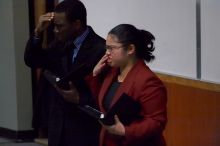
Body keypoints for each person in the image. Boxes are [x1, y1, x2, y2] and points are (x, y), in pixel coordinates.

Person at [24, 0, 105, 146]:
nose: (55, 30)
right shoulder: (60, 43)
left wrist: (81, 98)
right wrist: (38, 32)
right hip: (58, 127)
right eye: (54, 26)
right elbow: (32, 61)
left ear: (77, 24)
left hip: (84, 129)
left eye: (60, 26)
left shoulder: (100, 48)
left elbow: (106, 94)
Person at [86, 24, 167, 146]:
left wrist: (125, 131)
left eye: (111, 48)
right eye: (106, 48)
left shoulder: (148, 81)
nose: (107, 53)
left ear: (130, 49)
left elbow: (157, 122)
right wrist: (95, 75)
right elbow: (103, 104)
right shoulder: (112, 72)